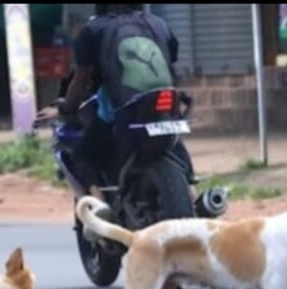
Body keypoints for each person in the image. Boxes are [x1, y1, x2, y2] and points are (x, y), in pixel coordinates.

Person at [36, 4, 193, 197]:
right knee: (175, 145)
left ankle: (99, 203)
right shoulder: (159, 24)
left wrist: (66, 108)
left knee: (83, 154)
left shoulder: (93, 30)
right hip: (165, 105)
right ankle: (194, 193)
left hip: (123, 111)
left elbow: (81, 80)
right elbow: (171, 62)